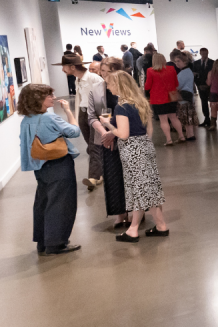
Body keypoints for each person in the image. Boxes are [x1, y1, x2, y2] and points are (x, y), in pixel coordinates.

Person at [101, 71, 170, 242]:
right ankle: (140, 228)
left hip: (132, 150)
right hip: (145, 146)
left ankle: (155, 227)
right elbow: (150, 130)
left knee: (141, 188)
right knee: (146, 187)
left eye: (110, 84)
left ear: (119, 85)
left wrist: (108, 124)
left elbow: (123, 134)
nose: (108, 87)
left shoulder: (122, 107)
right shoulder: (140, 103)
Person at [18, 84, 82, 255]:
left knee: (43, 202)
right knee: (62, 204)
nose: (53, 97)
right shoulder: (49, 118)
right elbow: (75, 132)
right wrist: (69, 112)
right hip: (58, 164)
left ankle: (43, 242)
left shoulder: (26, 120)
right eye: (49, 95)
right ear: (38, 99)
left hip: (40, 167)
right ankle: (56, 243)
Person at [58, 54, 106, 191]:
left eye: (64, 67)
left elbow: (102, 99)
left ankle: (94, 177)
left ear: (72, 67)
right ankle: (100, 172)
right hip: (84, 113)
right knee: (91, 145)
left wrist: (101, 117)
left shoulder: (93, 78)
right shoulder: (78, 80)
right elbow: (80, 99)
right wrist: (78, 116)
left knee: (94, 145)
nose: (63, 70)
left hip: (95, 114)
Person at [97, 58, 128, 228]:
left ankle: (134, 211)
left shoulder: (126, 89)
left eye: (107, 71)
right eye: (102, 71)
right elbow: (92, 116)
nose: (104, 75)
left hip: (125, 137)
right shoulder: (97, 89)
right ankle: (119, 213)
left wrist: (113, 132)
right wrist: (105, 133)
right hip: (107, 138)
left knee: (129, 177)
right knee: (113, 176)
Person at [172, 51, 197, 141]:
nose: (176, 63)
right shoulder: (187, 71)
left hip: (184, 98)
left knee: (186, 117)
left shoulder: (184, 73)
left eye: (178, 61)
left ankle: (190, 135)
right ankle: (190, 134)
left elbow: (177, 85)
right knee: (188, 117)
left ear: (185, 61)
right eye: (175, 61)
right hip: (188, 97)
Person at [192, 47, 214, 128]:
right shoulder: (196, 63)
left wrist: (209, 84)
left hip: (210, 86)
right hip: (200, 85)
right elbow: (194, 75)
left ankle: (213, 120)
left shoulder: (212, 62)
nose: (204, 55)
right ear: (200, 53)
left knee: (213, 103)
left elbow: (214, 75)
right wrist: (198, 85)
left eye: (205, 53)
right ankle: (206, 118)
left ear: (208, 53)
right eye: (203, 53)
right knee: (204, 102)